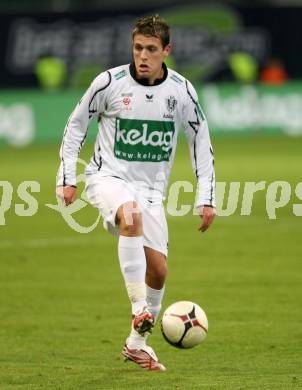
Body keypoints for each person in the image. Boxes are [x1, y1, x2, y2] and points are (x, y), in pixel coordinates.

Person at [56, 14, 216, 372]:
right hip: (106, 178)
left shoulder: (181, 91)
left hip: (151, 191)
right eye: (138, 48)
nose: (143, 56)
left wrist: (207, 197)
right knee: (130, 214)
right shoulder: (108, 83)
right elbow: (76, 125)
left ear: (166, 51)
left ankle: (136, 344)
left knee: (158, 271)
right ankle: (138, 308)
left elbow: (200, 143)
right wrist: (67, 177)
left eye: (151, 49)